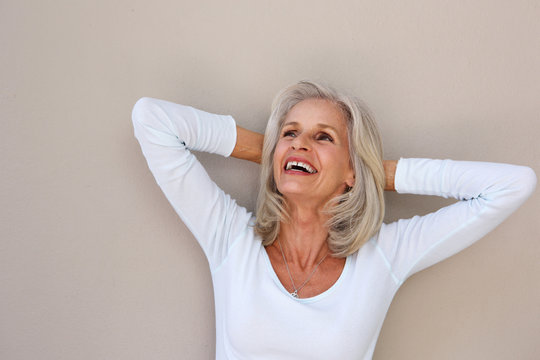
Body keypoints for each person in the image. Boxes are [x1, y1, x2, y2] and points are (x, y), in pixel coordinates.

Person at [131, 81, 536, 359]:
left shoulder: (384, 257)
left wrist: (377, 173)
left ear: (351, 172)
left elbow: (513, 185)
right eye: (291, 132)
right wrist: (272, 151)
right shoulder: (229, 238)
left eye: (323, 137)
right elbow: (151, 119)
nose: (301, 142)